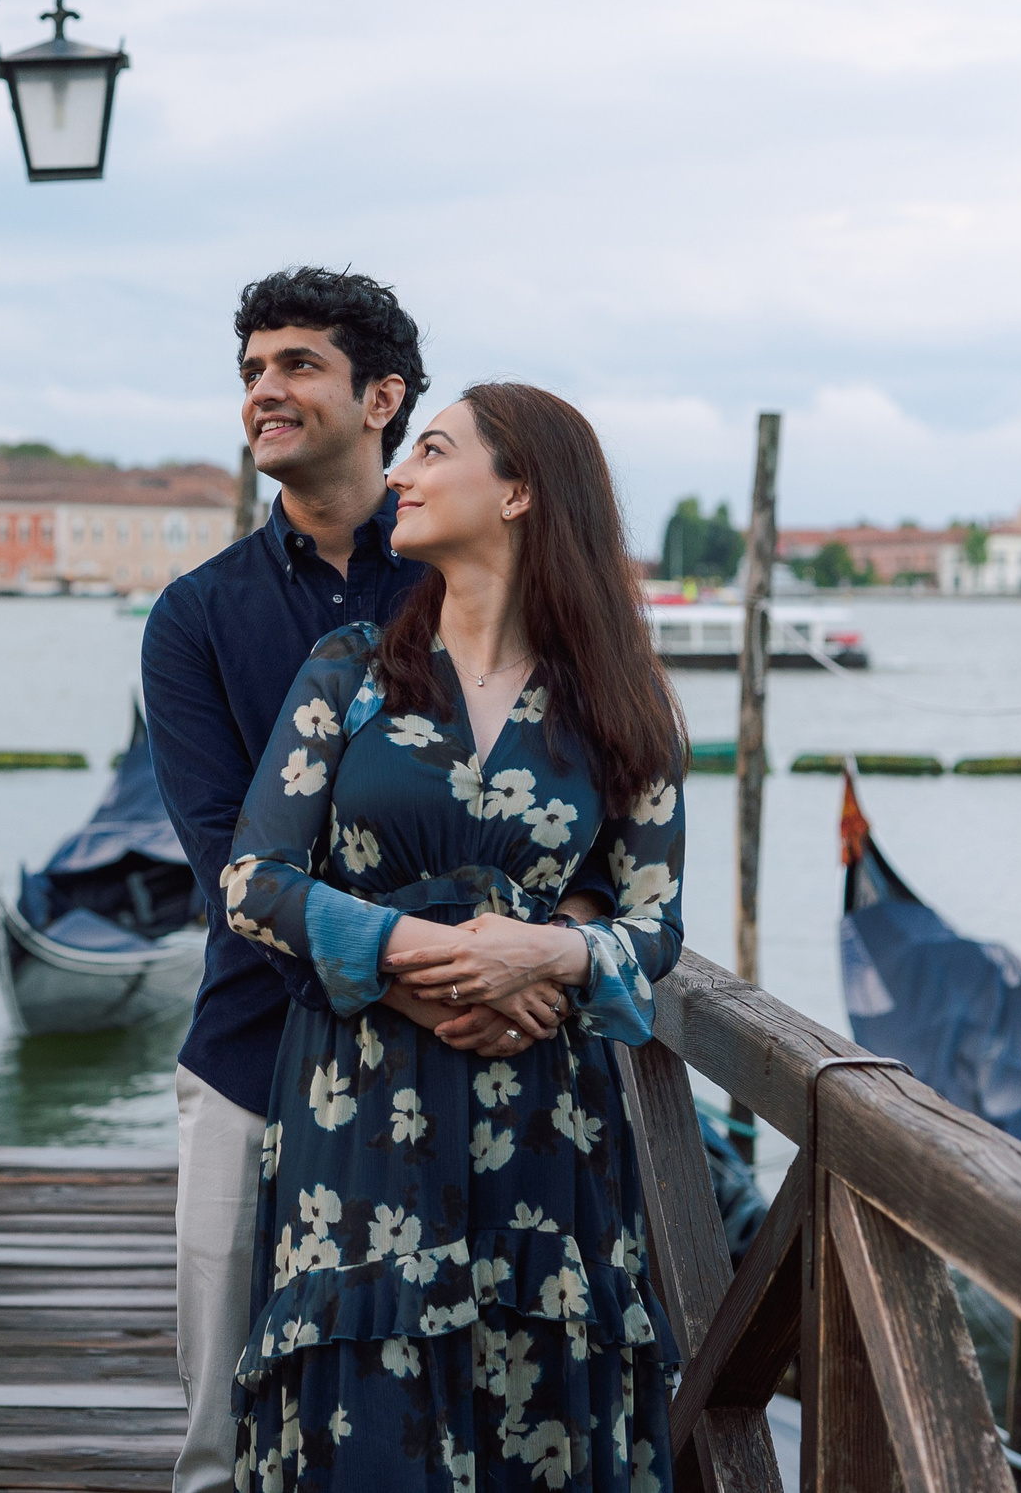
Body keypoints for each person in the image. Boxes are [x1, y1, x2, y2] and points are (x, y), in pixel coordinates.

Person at [218, 382, 688, 1493]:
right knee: (365, 1427)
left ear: (518, 491)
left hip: (546, 1123)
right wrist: (422, 955)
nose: (398, 473)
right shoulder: (349, 670)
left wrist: (547, 954)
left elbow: (655, 923)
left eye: (431, 450)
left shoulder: (622, 700)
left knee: (540, 1412)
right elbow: (254, 882)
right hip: (360, 1113)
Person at [143, 267, 437, 1493]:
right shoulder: (194, 615)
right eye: (251, 370)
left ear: (382, 398)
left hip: (442, 1059)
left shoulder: (465, 584)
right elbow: (227, 858)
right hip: (253, 1042)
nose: (263, 389)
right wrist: (419, 965)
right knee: (218, 1427)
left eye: (296, 364)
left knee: (420, 1399)